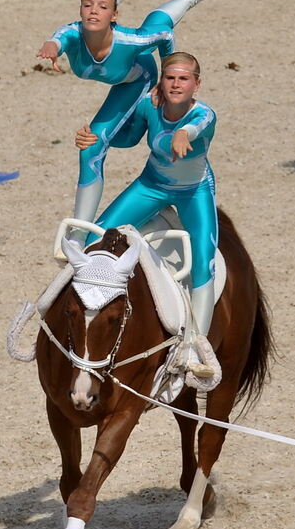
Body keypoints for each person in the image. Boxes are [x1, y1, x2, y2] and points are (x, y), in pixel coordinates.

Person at [36, 0, 220, 246]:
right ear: (79, 9)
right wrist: (51, 48)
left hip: (139, 78)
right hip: (121, 82)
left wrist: (162, 82)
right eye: (87, 5)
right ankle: (80, 230)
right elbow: (57, 39)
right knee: (92, 143)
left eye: (102, 6)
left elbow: (165, 36)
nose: (93, 11)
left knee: (156, 27)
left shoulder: (129, 40)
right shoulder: (73, 33)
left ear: (114, 15)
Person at [75, 51, 218, 341]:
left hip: (194, 191)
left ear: (196, 84)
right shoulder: (148, 106)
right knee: (94, 239)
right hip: (151, 185)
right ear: (161, 82)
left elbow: (193, 129)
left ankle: (197, 345)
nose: (176, 85)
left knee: (204, 263)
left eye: (183, 79)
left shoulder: (205, 114)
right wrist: (95, 139)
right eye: (170, 78)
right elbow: (128, 138)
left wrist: (182, 134)